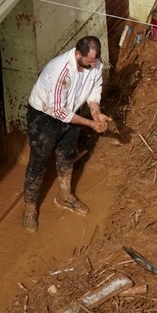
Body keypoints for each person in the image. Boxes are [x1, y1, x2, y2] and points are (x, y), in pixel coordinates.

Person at [22, 36, 113, 231]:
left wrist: (96, 112)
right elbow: (59, 112)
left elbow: (95, 88)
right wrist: (90, 123)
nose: (93, 65)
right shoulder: (59, 72)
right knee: (38, 162)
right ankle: (30, 208)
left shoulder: (95, 64)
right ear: (78, 54)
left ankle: (65, 196)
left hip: (73, 112)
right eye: (89, 61)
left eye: (95, 61)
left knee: (67, 155)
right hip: (44, 116)